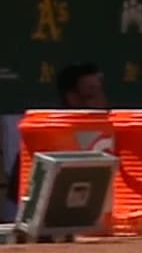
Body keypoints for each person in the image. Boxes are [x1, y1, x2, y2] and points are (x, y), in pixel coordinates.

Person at [3, 63, 108, 218]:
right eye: (91, 96)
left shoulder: (108, 136)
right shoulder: (46, 137)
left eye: (101, 93)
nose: (101, 101)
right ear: (72, 98)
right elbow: (19, 200)